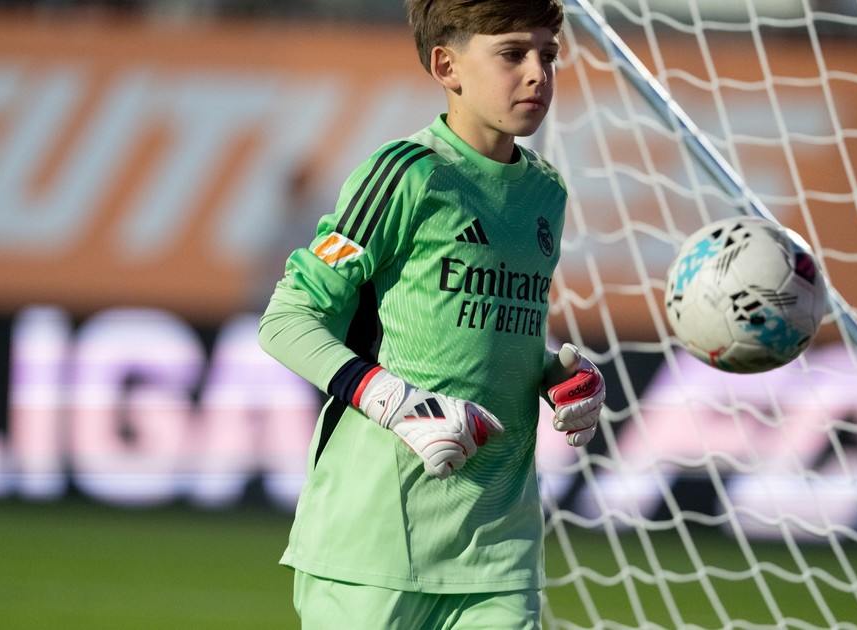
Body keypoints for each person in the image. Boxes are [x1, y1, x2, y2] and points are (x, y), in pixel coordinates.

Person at [257, 0, 606, 626]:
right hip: (373, 545)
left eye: (548, 55)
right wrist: (399, 402)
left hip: (500, 550)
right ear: (447, 66)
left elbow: (485, 333)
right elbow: (286, 320)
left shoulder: (545, 192)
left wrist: (555, 376)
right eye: (512, 54)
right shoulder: (405, 175)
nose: (537, 73)